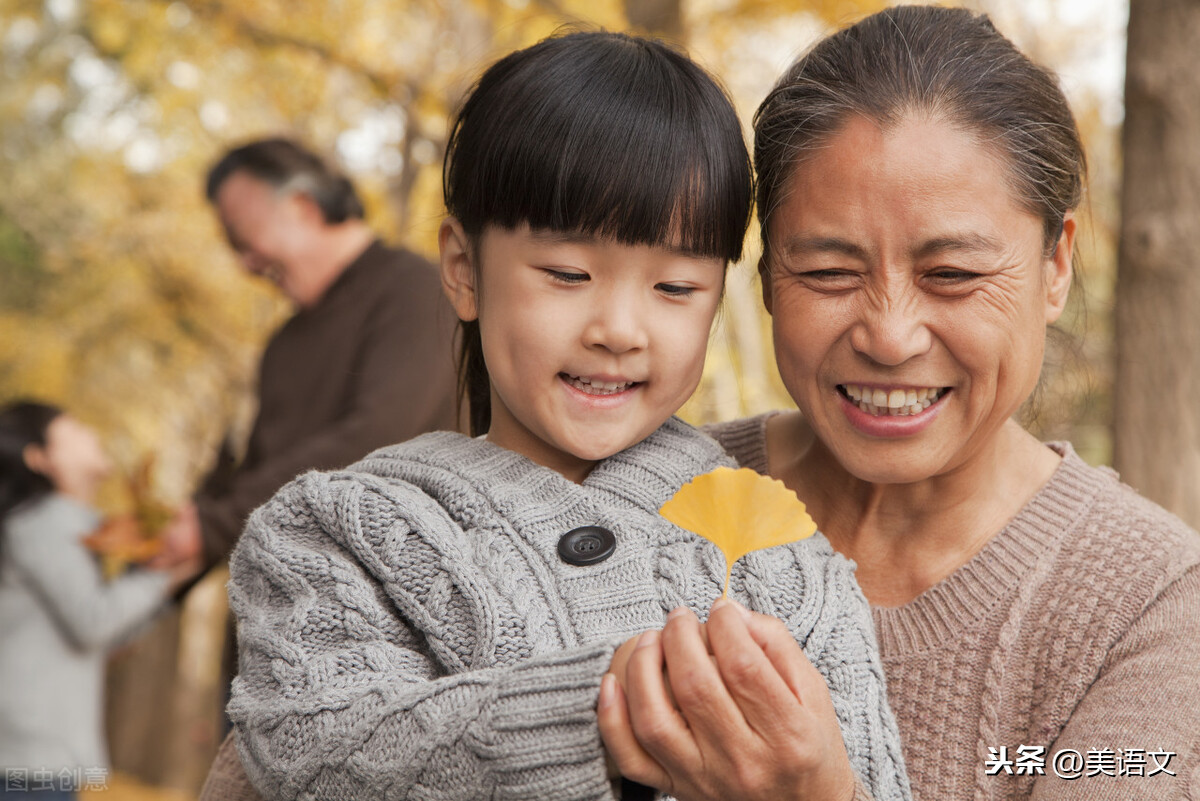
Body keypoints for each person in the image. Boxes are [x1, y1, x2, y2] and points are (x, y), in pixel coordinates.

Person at [198, 31, 911, 801]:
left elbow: (870, 777)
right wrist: (600, 711)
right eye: (568, 273)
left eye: (675, 287)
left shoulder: (786, 560)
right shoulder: (339, 532)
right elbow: (313, 749)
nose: (619, 329)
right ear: (464, 271)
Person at [689, 6, 1200, 800]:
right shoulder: (658, 495)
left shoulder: (1149, 607)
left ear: (1055, 264)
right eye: (828, 272)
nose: (890, 336)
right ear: (765, 276)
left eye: (953, 274)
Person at [160, 137, 459, 574]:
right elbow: (257, 475)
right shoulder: (282, 344)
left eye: (244, 239)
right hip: (281, 607)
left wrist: (214, 525)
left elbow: (376, 437)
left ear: (303, 207)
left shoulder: (418, 293)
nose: (245, 265)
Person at [0, 402, 196, 800]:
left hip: (37, 747)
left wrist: (168, 579)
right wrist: (164, 574)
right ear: (39, 458)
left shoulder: (64, 524)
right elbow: (94, 620)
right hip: (29, 753)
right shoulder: (44, 521)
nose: (88, 431)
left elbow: (108, 636)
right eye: (70, 428)